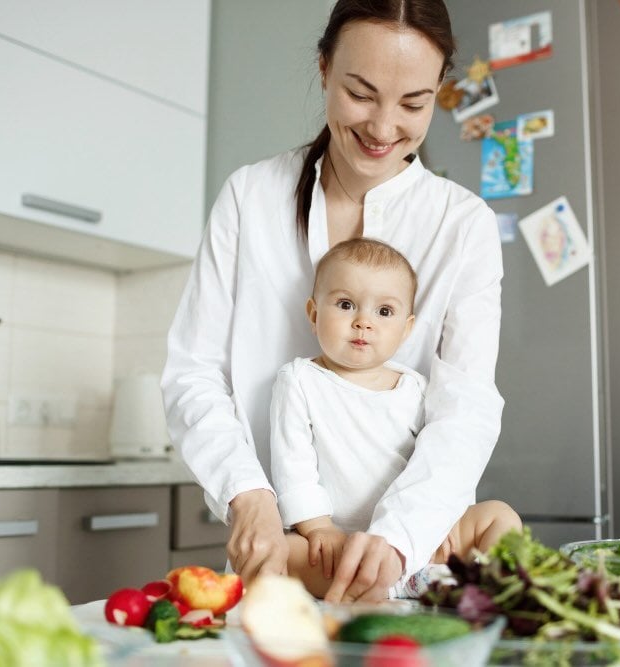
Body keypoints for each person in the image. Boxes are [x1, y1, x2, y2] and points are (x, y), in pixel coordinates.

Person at [162, 0, 505, 603]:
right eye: (361, 93)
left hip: (420, 545)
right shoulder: (251, 197)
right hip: (291, 546)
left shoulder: (463, 223)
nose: (382, 127)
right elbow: (194, 374)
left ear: (439, 94)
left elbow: (466, 406)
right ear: (324, 68)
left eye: (413, 103)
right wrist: (249, 496)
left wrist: (397, 537)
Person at [270, 238, 521, 598]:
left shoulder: (415, 388)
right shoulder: (299, 380)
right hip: (342, 540)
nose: (362, 322)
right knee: (285, 552)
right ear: (313, 314)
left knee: (500, 516)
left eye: (384, 312)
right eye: (345, 305)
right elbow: (292, 464)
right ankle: (402, 587)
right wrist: (317, 528)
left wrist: (445, 517)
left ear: (406, 328)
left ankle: (480, 584)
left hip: (420, 538)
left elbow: (443, 459)